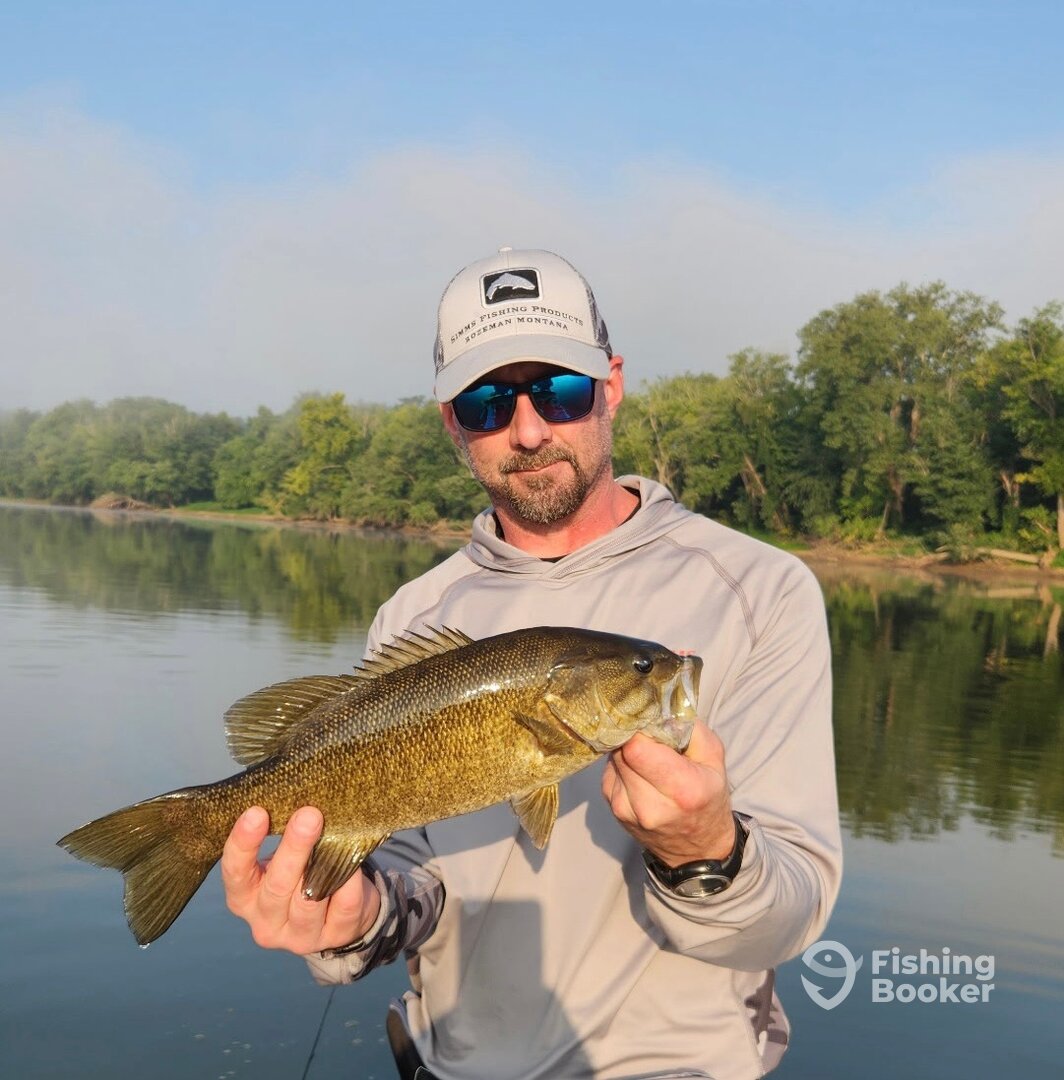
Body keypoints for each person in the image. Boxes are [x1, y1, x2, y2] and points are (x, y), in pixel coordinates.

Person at [221, 247, 842, 1080]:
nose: (527, 428)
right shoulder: (413, 617)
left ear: (611, 383)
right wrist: (350, 916)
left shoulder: (762, 592)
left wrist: (707, 851)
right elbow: (408, 890)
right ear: (450, 419)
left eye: (558, 388)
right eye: (486, 400)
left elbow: (789, 919)